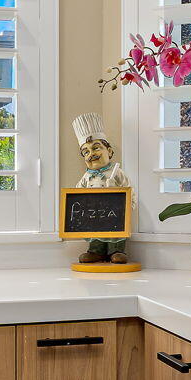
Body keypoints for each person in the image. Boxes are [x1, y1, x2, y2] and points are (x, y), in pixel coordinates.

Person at [72, 112, 131, 265]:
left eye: (96, 148)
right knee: (95, 233)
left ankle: (116, 251)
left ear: (109, 151)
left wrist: (128, 205)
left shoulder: (116, 172)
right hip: (94, 215)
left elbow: (128, 189)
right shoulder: (86, 177)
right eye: (86, 152)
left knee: (114, 233)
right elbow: (77, 194)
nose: (91, 154)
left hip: (114, 214)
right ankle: (96, 251)